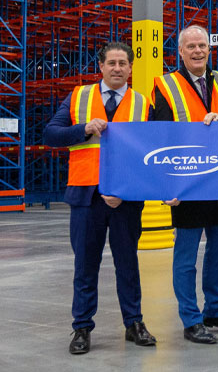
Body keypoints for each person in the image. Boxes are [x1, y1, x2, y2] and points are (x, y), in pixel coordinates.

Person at [44, 42, 156, 355]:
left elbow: (149, 154)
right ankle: (81, 327)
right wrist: (83, 129)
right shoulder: (78, 97)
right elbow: (51, 134)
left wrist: (128, 191)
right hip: (86, 196)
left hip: (125, 199)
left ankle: (134, 323)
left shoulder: (142, 104)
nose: (117, 68)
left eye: (123, 63)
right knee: (85, 265)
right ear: (101, 66)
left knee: (128, 264)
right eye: (112, 63)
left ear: (131, 68)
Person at [152, 25, 218, 345]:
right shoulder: (165, 85)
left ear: (209, 48)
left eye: (202, 45)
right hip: (188, 184)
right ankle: (191, 319)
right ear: (180, 51)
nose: (197, 51)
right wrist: (169, 186)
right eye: (190, 46)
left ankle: (215, 310)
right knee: (186, 257)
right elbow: (160, 137)